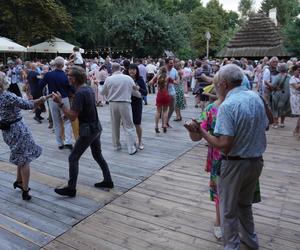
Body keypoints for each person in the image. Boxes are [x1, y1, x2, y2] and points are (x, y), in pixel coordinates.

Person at [186, 64, 267, 250]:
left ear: (223, 84)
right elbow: (267, 123)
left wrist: (202, 131)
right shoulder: (255, 97)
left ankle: (231, 247)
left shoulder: (228, 106)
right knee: (245, 206)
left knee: (228, 211)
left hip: (234, 164)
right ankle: (251, 243)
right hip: (256, 161)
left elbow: (224, 145)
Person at [53, 66, 113, 197]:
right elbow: (82, 109)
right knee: (97, 155)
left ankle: (71, 188)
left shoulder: (80, 93)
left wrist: (60, 104)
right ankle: (108, 180)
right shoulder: (88, 89)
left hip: (87, 130)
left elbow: (73, 116)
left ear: (74, 79)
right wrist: (67, 113)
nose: (67, 77)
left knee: (73, 157)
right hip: (96, 127)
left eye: (69, 76)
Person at [0, 74, 51, 200]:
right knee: (25, 159)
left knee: (20, 156)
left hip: (7, 131)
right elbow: (29, 105)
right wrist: (45, 97)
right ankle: (25, 190)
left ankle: (19, 181)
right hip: (17, 129)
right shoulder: (7, 96)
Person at [101, 63, 138, 155]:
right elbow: (135, 91)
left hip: (113, 103)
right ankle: (131, 148)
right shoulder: (128, 78)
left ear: (112, 69)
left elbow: (102, 92)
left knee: (115, 125)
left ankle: (116, 145)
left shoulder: (108, 79)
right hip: (125, 103)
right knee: (129, 126)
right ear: (120, 68)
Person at [40, 56, 74, 150]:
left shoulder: (48, 75)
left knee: (56, 122)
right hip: (64, 98)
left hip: (52, 98)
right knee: (67, 121)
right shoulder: (65, 75)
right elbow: (70, 88)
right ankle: (68, 141)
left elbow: (41, 85)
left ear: (54, 64)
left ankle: (60, 143)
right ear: (63, 65)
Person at [128, 64, 148, 149]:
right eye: (130, 69)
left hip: (137, 103)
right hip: (127, 103)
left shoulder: (140, 79)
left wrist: (138, 88)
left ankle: (140, 142)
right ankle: (131, 141)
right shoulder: (126, 79)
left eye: (133, 69)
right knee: (128, 124)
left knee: (137, 123)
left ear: (137, 70)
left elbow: (145, 92)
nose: (132, 71)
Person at [270, 63, 290, 128]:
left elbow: (273, 86)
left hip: (277, 95)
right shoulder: (289, 77)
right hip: (286, 95)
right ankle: (282, 123)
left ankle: (275, 123)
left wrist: (267, 83)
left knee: (275, 108)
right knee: (283, 108)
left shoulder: (277, 76)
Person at [289, 64, 300, 138]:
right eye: (298, 70)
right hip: (295, 98)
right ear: (294, 70)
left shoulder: (299, 78)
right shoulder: (292, 79)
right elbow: (297, 87)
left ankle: (297, 129)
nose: (299, 72)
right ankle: (297, 130)